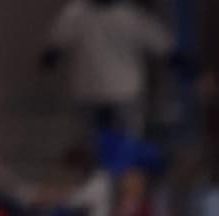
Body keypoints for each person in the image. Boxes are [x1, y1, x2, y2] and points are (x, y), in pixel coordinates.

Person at [43, 0, 174, 139]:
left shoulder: (76, 12)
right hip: (120, 90)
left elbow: (55, 46)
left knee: (97, 138)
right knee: (121, 138)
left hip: (95, 90)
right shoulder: (130, 15)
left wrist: (49, 59)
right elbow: (162, 45)